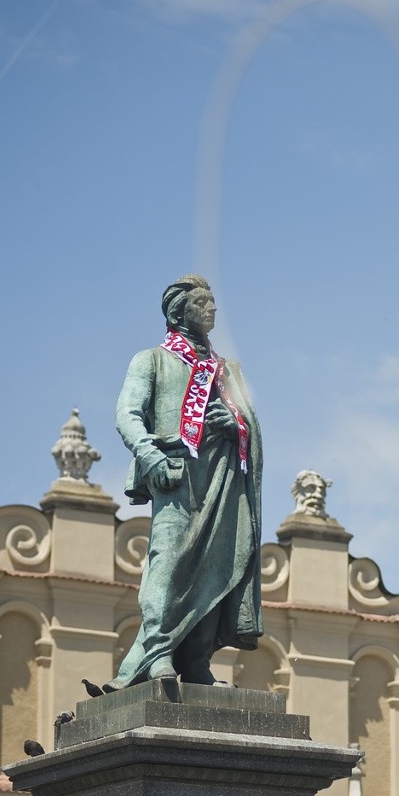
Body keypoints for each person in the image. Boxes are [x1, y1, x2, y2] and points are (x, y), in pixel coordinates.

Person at [107, 274, 263, 688]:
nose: (212, 309)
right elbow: (127, 413)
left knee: (218, 565)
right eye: (202, 303)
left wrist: (234, 424)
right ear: (179, 312)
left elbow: (249, 423)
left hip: (222, 478)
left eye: (213, 302)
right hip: (174, 473)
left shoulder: (226, 370)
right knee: (169, 562)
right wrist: (149, 454)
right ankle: (157, 653)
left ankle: (196, 662)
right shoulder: (152, 359)